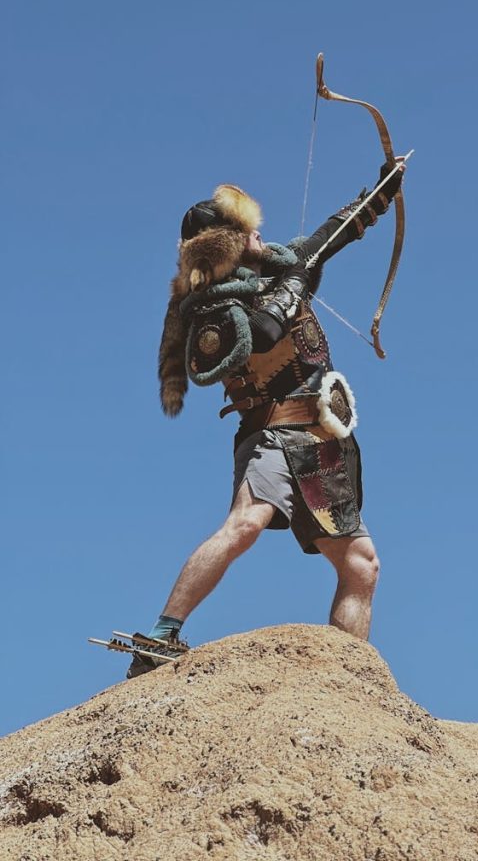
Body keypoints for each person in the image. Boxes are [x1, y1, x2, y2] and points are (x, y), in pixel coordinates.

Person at [126, 160, 405, 678]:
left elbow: (331, 235)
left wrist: (379, 195)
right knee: (246, 522)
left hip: (319, 439)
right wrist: (293, 284)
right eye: (243, 229)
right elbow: (258, 336)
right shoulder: (207, 309)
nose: (258, 232)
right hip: (271, 433)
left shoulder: (280, 268)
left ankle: (348, 680)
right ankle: (161, 635)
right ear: (222, 246)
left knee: (361, 564)